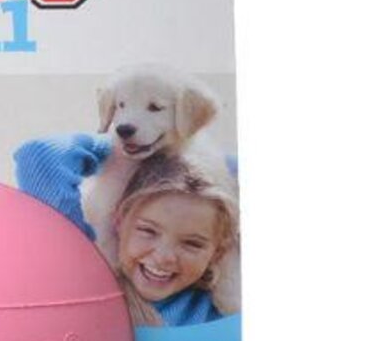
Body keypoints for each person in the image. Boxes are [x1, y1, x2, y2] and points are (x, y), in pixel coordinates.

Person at [14, 136, 238, 326]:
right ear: (118, 221)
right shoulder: (86, 282)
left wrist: (212, 162)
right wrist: (134, 144)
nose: (164, 257)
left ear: (217, 252)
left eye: (192, 243)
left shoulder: (220, 311)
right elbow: (37, 155)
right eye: (148, 231)